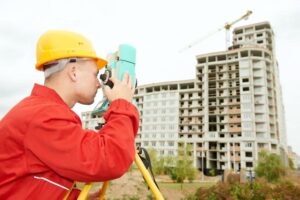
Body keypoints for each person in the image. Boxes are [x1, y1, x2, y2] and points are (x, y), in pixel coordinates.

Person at [0, 30, 139, 199]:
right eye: (95, 75)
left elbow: (36, 179)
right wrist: (122, 104)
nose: (98, 84)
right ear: (73, 72)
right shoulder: (44, 116)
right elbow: (109, 159)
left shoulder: (41, 111)